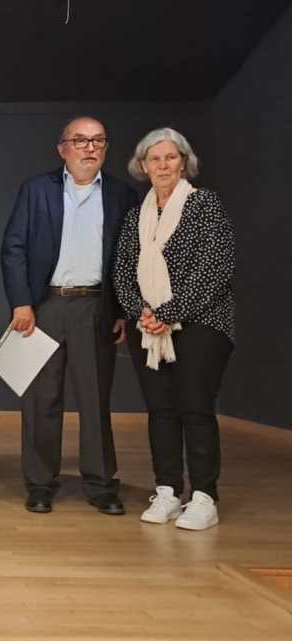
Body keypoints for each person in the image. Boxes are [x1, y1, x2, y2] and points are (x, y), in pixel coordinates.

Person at [0, 116, 138, 515]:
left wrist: (122, 310)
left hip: (96, 307)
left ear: (106, 148)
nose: (89, 148)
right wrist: (21, 302)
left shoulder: (121, 195)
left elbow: (129, 258)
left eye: (97, 141)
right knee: (41, 400)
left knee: (95, 400)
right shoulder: (36, 190)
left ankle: (101, 485)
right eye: (80, 140)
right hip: (45, 306)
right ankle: (41, 484)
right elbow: (13, 248)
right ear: (63, 149)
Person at [113, 128, 234, 531]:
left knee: (195, 408)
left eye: (170, 157)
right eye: (154, 159)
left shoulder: (205, 205)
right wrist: (143, 313)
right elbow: (123, 271)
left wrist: (170, 310)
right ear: (142, 166)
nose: (162, 165)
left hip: (201, 323)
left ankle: (204, 496)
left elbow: (214, 267)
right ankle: (167, 489)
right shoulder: (137, 216)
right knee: (161, 411)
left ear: (184, 162)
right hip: (148, 328)